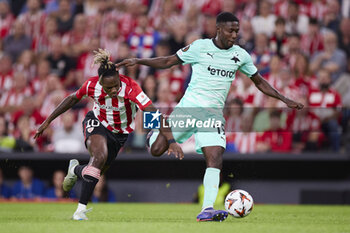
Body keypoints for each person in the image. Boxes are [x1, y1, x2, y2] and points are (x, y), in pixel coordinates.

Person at [116, 12, 304, 222]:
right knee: (157, 150)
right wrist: (138, 61)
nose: (234, 35)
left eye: (236, 31)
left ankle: (206, 209)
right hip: (190, 108)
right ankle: (155, 132)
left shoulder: (240, 55)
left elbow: (259, 81)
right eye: (230, 30)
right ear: (218, 29)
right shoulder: (200, 47)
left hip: (213, 115)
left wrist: (283, 98)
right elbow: (168, 61)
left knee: (214, 158)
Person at [34, 48, 183, 220]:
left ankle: (74, 169)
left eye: (115, 86)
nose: (113, 90)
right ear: (100, 82)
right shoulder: (92, 85)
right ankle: (80, 212)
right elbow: (72, 98)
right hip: (96, 122)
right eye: (108, 87)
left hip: (119, 134)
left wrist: (171, 140)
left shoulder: (131, 88)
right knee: (99, 157)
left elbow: (156, 114)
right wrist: (48, 121)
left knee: (95, 172)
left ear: (120, 79)